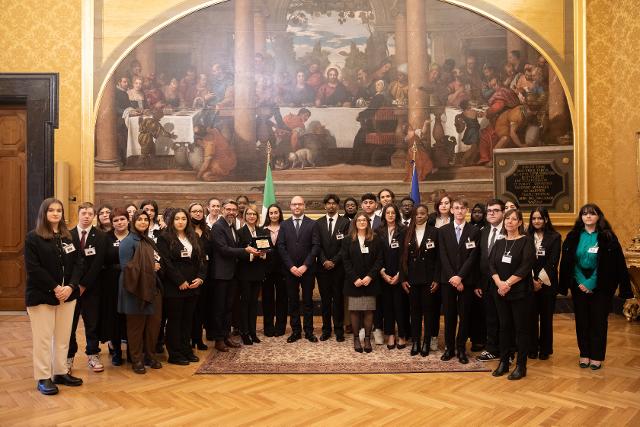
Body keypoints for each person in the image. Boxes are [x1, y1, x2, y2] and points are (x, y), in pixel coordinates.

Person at [559, 204, 632, 370]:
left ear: (599, 216)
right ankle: (584, 354)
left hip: (601, 287)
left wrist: (591, 282)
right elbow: (570, 262)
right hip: (579, 286)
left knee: (598, 322)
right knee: (582, 322)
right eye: (584, 214)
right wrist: (580, 282)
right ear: (581, 217)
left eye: (592, 214)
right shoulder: (573, 236)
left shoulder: (608, 237)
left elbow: (611, 265)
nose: (588, 217)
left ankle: (597, 356)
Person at [25, 198, 84, 395]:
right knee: (43, 339)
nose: (56, 213)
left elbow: (79, 263)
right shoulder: (33, 238)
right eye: (51, 210)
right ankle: (43, 377)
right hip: (41, 296)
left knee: (63, 337)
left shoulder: (69, 236)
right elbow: (33, 268)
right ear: (44, 213)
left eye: (59, 210)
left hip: (68, 295)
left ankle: (60, 372)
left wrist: (71, 286)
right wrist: (55, 287)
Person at [489, 209, 535, 380]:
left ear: (520, 223)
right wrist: (499, 283)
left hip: (520, 292)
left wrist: (507, 283)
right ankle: (504, 362)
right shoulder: (500, 242)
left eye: (514, 219)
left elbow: (526, 266)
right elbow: (491, 264)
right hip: (500, 292)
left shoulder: (526, 241)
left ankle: (521, 366)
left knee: (521, 329)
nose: (509, 222)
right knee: (504, 327)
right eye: (507, 219)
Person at [156, 208, 206, 365]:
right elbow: (166, 262)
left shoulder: (194, 236)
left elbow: (202, 260)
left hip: (193, 286)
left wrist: (200, 278)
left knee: (188, 320)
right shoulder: (164, 237)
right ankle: (175, 353)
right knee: (175, 321)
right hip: (174, 287)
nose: (180, 221)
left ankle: (186, 350)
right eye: (177, 218)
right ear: (172, 221)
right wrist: (179, 281)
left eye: (183, 218)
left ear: (187, 220)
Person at [210, 200, 260, 352]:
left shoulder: (231, 226)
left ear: (237, 212)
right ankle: (219, 340)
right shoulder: (218, 227)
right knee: (219, 308)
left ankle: (226, 336)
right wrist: (246, 250)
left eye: (234, 210)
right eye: (228, 209)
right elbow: (224, 250)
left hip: (232, 274)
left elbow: (234, 248)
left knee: (228, 308)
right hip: (221, 274)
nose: (231, 212)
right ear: (222, 210)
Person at [118, 210, 163, 374]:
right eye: (140, 219)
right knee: (136, 327)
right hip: (134, 290)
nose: (143, 222)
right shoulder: (128, 242)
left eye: (146, 219)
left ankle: (150, 356)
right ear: (133, 222)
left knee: (153, 325)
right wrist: (150, 267)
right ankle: (137, 359)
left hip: (152, 288)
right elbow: (127, 268)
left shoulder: (148, 241)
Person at [438, 197, 480, 364]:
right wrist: (453, 278)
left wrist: (460, 277)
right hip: (447, 281)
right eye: (457, 208)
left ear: (467, 210)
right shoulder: (443, 231)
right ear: (452, 210)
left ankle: (461, 347)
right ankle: (449, 347)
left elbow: (472, 257)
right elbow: (443, 256)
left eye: (463, 208)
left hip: (466, 281)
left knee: (464, 315)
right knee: (449, 315)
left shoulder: (474, 231)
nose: (460, 211)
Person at [67, 202, 107, 374]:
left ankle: (93, 354)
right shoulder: (67, 235)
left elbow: (98, 264)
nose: (86, 216)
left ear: (94, 216)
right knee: (70, 324)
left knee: (92, 323)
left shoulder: (101, 236)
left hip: (92, 288)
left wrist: (84, 284)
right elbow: (68, 263)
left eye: (90, 214)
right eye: (84, 213)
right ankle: (68, 358)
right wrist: (75, 285)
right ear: (78, 214)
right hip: (71, 288)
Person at [277, 196, 321, 343]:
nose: (297, 207)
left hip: (307, 270)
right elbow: (281, 247)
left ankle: (309, 331)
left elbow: (316, 246)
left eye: (299, 204)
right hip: (290, 271)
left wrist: (305, 265)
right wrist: (291, 266)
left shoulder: (313, 224)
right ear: (290, 206)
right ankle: (296, 331)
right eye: (294, 204)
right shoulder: (284, 224)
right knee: (293, 301)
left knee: (308, 301)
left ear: (304, 206)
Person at [401, 204, 440, 356]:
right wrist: (403, 278)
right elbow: (402, 258)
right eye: (416, 214)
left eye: (422, 214)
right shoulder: (406, 232)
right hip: (411, 278)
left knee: (428, 312)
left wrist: (437, 278)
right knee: (414, 312)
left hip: (429, 279)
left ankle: (426, 342)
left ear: (427, 215)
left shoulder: (435, 232)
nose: (419, 216)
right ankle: (416, 342)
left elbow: (439, 259)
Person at [342, 211, 383, 353]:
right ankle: (355, 339)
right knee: (354, 310)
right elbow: (345, 261)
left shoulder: (375, 239)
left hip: (370, 281)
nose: (361, 222)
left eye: (364, 220)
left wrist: (370, 277)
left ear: (368, 222)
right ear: (355, 223)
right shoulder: (347, 240)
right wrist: (355, 278)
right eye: (359, 220)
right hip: (353, 282)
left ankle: (366, 339)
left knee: (368, 311)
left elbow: (379, 260)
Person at [527, 207, 561, 360]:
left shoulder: (555, 237)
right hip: (529, 283)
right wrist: (532, 280)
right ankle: (532, 347)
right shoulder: (525, 236)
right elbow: (524, 261)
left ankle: (545, 349)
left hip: (548, 284)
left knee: (546, 318)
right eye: (534, 218)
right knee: (531, 318)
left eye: (540, 218)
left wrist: (539, 280)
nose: (537, 221)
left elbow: (553, 261)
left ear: (546, 219)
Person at [316, 194, 350, 342]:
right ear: (325, 206)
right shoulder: (318, 223)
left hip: (339, 268)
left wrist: (334, 261)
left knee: (338, 299)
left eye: (334, 203)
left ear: (338, 205)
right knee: (325, 301)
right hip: (322, 268)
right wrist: (324, 261)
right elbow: (316, 245)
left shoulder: (345, 223)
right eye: (328, 203)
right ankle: (326, 329)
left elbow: (345, 246)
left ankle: (338, 329)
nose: (331, 206)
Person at [98, 208, 129, 367]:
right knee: (114, 317)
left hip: (131, 281)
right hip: (110, 282)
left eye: (122, 219)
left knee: (129, 316)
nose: (119, 222)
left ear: (128, 220)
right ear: (111, 222)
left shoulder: (134, 237)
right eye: (116, 220)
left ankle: (131, 350)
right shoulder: (105, 238)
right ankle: (116, 351)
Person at [476, 199, 506, 362]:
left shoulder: (510, 230)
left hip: (504, 283)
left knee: (505, 319)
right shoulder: (484, 231)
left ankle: (506, 350)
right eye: (489, 211)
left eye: (496, 210)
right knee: (491, 317)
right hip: (487, 283)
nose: (492, 213)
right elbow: (481, 259)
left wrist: (505, 283)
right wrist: (479, 283)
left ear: (503, 213)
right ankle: (492, 348)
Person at [377, 204, 408, 349]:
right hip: (384, 275)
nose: (390, 215)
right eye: (387, 213)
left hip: (399, 274)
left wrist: (399, 274)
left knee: (400, 306)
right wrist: (382, 272)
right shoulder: (378, 231)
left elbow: (405, 254)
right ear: (384, 215)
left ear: (397, 214)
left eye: (393, 213)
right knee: (387, 306)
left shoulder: (404, 230)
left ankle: (402, 335)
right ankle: (390, 335)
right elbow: (376, 254)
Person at [236, 205, 268, 344]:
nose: (251, 216)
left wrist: (263, 254)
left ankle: (253, 332)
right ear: (245, 216)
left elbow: (266, 249)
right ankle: (244, 333)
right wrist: (250, 255)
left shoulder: (262, 231)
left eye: (254, 214)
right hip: (244, 272)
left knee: (254, 304)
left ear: (257, 216)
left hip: (258, 272)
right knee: (245, 303)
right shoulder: (239, 232)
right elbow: (237, 252)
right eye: (249, 214)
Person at [188, 202, 213, 350]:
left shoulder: (207, 230)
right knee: (191, 309)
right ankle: (191, 339)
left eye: (200, 211)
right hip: (191, 274)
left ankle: (198, 339)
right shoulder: (186, 231)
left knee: (202, 308)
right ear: (189, 213)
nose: (198, 214)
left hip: (206, 274)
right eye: (194, 211)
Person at [262, 204, 287, 337]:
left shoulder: (286, 228)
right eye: (271, 213)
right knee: (267, 299)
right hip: (266, 270)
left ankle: (280, 326)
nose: (273, 215)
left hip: (283, 269)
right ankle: (268, 326)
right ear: (268, 215)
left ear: (280, 213)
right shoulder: (262, 230)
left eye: (276, 212)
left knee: (282, 299)